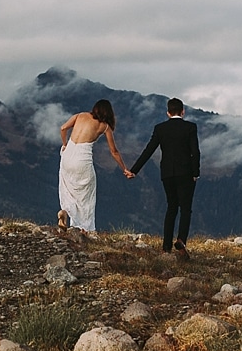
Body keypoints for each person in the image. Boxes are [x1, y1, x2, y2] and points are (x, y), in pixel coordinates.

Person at [129, 98, 201, 254]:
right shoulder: (190, 127)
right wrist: (196, 173)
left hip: (167, 173)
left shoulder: (160, 128)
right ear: (183, 112)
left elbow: (148, 151)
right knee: (185, 209)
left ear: (168, 113)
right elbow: (195, 152)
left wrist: (134, 170)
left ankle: (166, 247)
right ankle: (181, 240)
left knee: (171, 208)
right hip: (186, 173)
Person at [58, 99, 133, 235]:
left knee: (67, 187)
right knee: (87, 194)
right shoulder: (104, 126)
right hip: (82, 159)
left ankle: (65, 211)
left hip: (67, 155)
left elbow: (63, 128)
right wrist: (124, 169)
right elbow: (114, 151)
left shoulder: (80, 115)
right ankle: (84, 229)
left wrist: (64, 145)